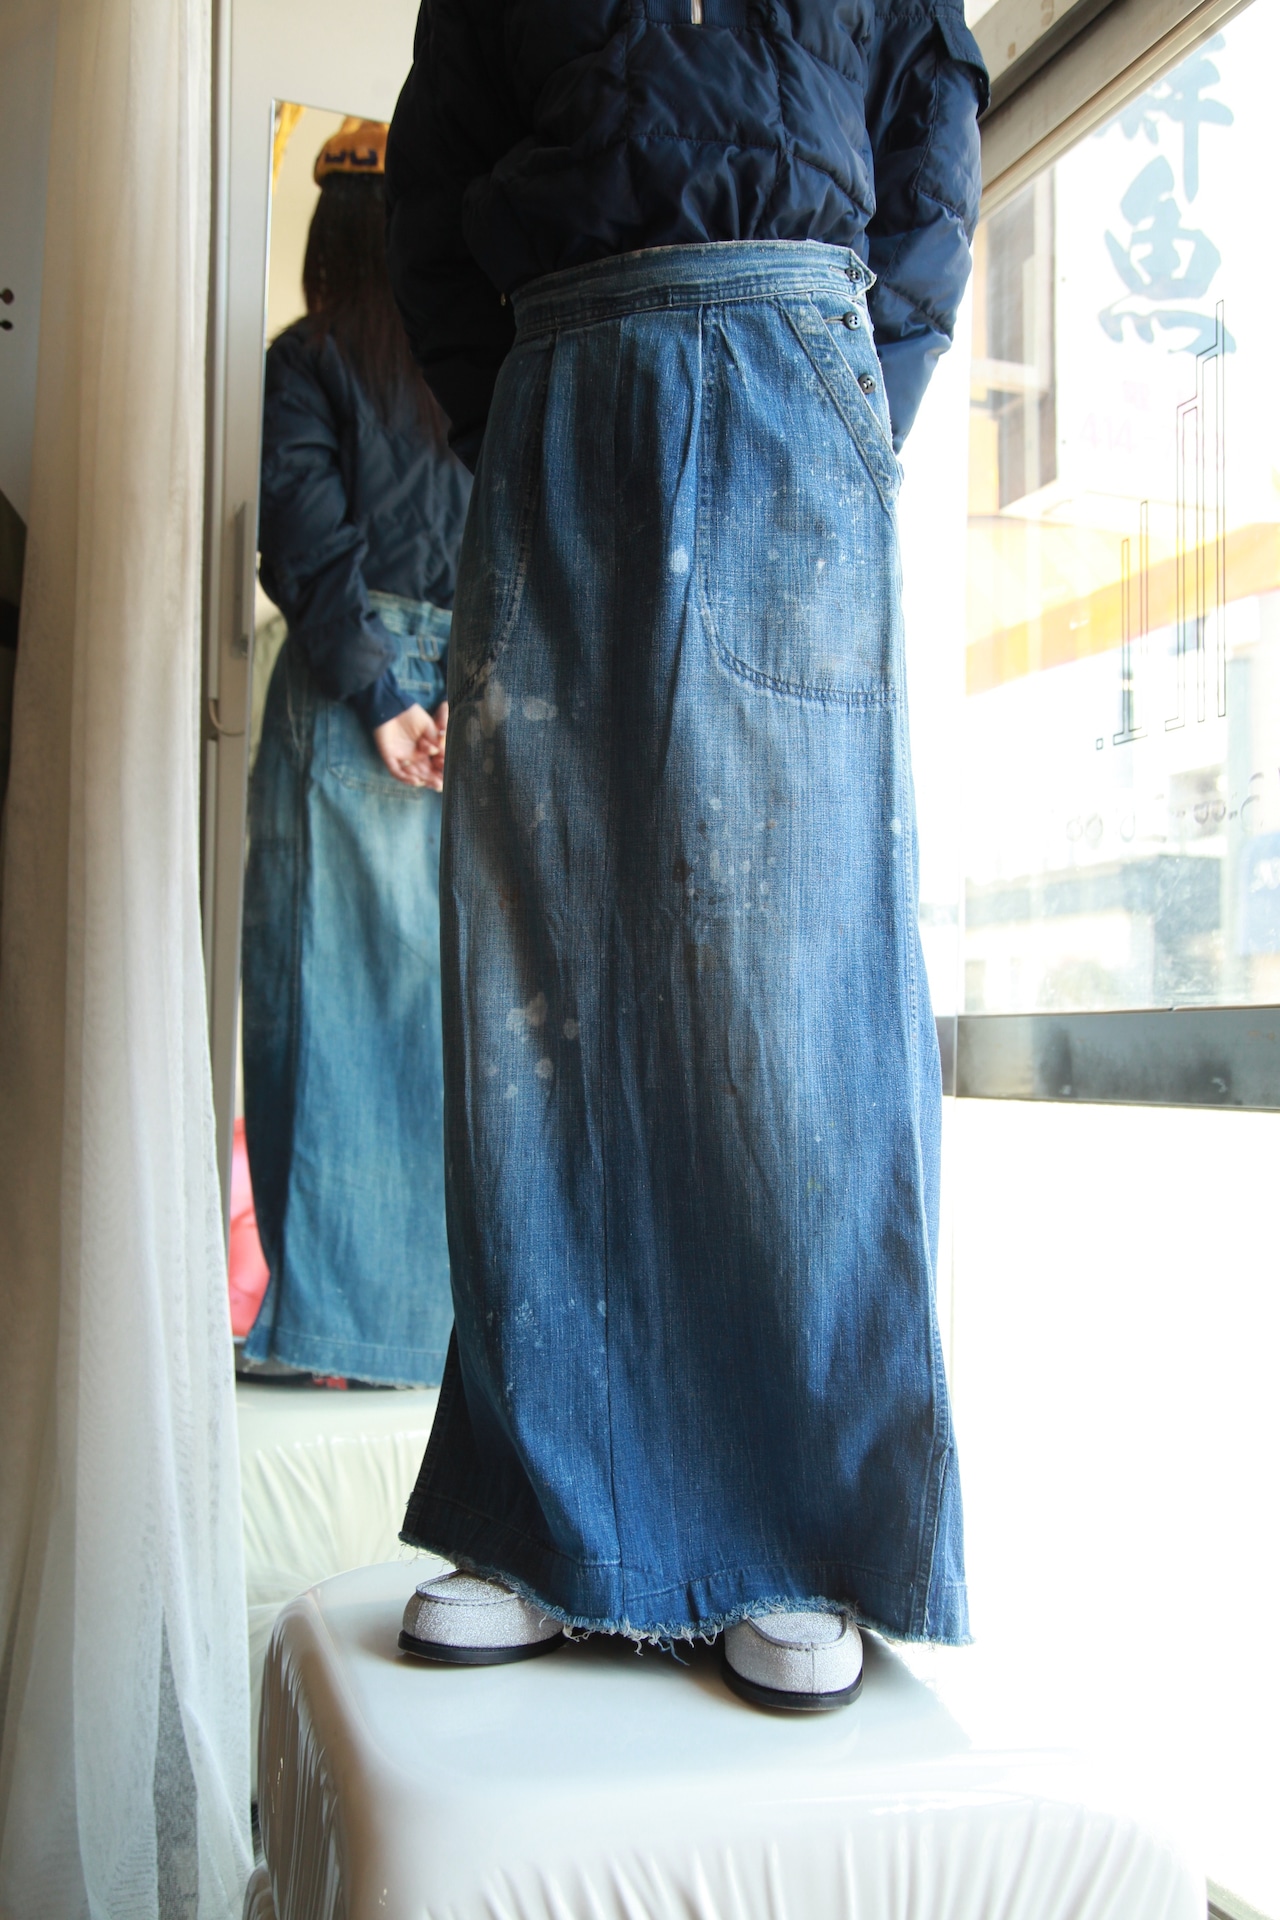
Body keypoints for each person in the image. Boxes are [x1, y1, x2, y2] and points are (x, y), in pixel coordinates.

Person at [386, 1, 987, 1708]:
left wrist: (852, 396)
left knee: (796, 982)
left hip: (793, 367)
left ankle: (802, 1533)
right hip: (558, 387)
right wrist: (516, 409)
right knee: (541, 971)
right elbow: (434, 181)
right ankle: (542, 1520)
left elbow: (930, 140)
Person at [241, 119, 472, 1388]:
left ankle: (328, 1335)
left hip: (349, 696)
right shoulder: (474, 370)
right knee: (438, 1020)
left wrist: (379, 692)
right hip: (470, 706)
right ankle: (426, 1333)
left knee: (311, 1003)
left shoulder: (308, 358)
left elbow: (302, 533)